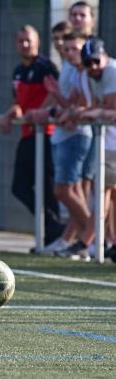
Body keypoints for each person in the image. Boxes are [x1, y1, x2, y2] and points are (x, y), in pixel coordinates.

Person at [26, 32, 93, 255]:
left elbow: (82, 107)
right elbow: (70, 105)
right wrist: (56, 101)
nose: (71, 53)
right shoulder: (74, 72)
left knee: (65, 190)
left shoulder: (87, 72)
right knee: (70, 190)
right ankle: (85, 239)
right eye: (68, 49)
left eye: (76, 49)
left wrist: (62, 110)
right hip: (67, 135)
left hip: (79, 136)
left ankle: (91, 238)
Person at [0, 25, 64, 248]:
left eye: (28, 40)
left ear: (37, 42)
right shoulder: (18, 71)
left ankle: (53, 235)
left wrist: (39, 113)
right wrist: (11, 113)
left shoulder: (46, 67)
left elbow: (57, 95)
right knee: (20, 186)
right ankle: (53, 226)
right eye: (20, 40)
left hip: (46, 134)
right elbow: (20, 102)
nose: (24, 44)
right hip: (28, 134)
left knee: (47, 187)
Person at [53, 37, 116, 262]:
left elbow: (110, 111)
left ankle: (84, 243)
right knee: (108, 193)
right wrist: (79, 112)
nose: (93, 67)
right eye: (88, 63)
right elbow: (96, 107)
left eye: (96, 61)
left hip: (112, 145)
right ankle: (106, 243)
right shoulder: (91, 75)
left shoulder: (111, 73)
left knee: (103, 192)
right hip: (107, 143)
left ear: (104, 56)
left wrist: (93, 113)